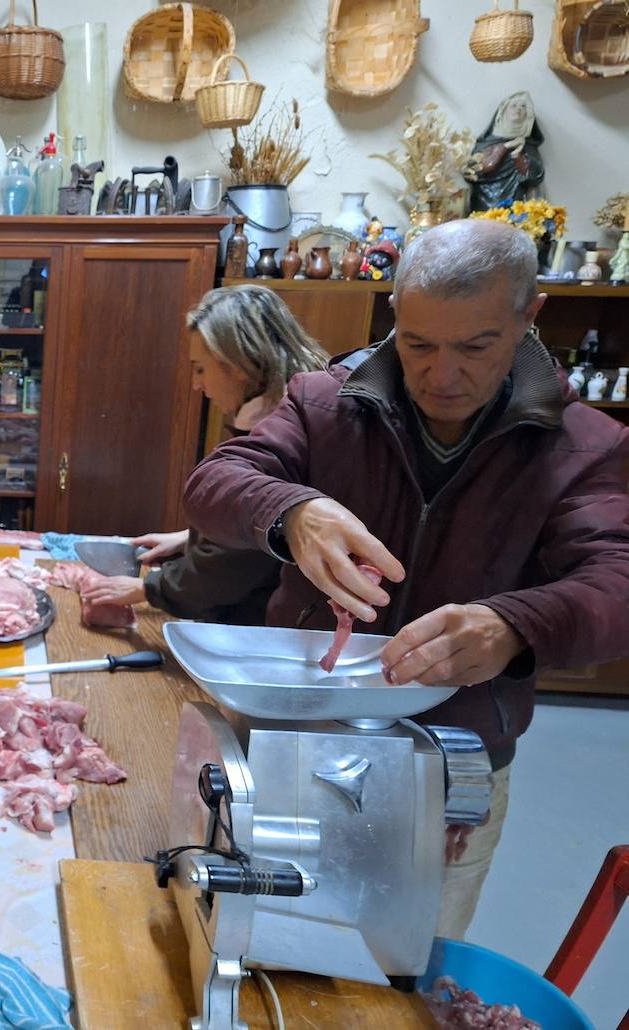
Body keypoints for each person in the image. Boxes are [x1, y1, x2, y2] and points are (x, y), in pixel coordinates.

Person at [181, 219, 629, 939]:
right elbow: (215, 482)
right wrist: (293, 511)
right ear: (395, 314)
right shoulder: (326, 403)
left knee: (399, 970)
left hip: (450, 765)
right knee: (254, 938)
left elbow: (616, 584)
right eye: (418, 344)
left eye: (476, 346)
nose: (440, 376)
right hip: (298, 730)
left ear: (528, 317)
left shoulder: (582, 447)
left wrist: (518, 624)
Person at [82, 285, 330, 625]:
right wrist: (190, 538)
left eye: (201, 368)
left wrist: (148, 588)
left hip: (262, 630)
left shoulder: (281, 434)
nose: (197, 384)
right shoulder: (292, 411)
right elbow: (257, 529)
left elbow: (234, 565)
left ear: (237, 365)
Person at [466, 90, 545, 213]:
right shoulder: (487, 142)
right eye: (513, 106)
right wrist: (505, 147)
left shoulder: (528, 145)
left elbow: (535, 177)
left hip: (517, 207)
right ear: (502, 112)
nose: (518, 109)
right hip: (485, 203)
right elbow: (475, 170)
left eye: (523, 107)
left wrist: (518, 155)